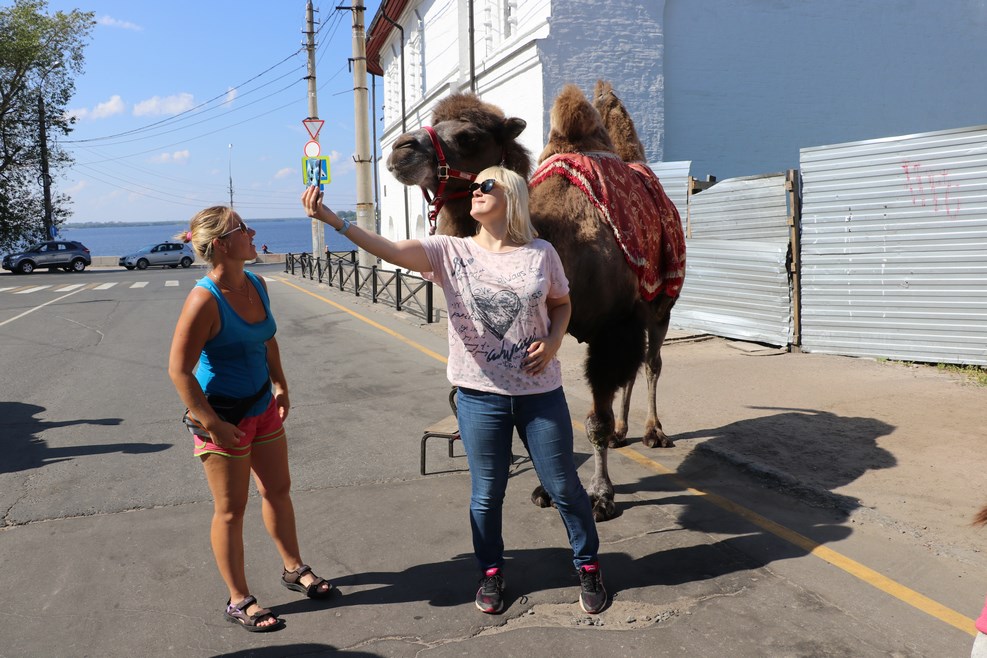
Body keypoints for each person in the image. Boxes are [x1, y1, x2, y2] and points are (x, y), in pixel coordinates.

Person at [301, 166, 607, 615]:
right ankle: (491, 572)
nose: (475, 191)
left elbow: (561, 304)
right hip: (479, 396)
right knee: (487, 493)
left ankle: (588, 565)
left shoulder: (541, 253)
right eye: (474, 186)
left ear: (512, 197)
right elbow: (389, 249)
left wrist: (555, 339)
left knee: (563, 486)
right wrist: (334, 221)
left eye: (487, 185)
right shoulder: (450, 251)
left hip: (540, 393)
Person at [168, 206, 332, 633]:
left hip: (262, 407)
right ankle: (239, 599)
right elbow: (179, 371)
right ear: (222, 244)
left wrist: (280, 384)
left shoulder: (256, 284)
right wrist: (213, 425)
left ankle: (294, 568)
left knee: (278, 490)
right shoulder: (205, 298)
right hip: (223, 415)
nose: (253, 232)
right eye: (244, 229)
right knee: (231, 510)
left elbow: (267, 339)